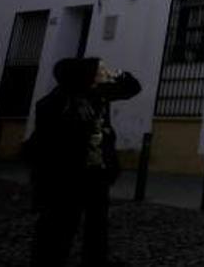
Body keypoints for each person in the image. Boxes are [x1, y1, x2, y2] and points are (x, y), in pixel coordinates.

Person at [27, 57, 141, 266]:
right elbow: (44, 147)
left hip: (97, 174)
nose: (103, 73)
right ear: (83, 77)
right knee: (60, 226)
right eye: (99, 71)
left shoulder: (98, 95)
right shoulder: (53, 104)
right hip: (66, 176)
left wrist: (115, 72)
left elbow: (133, 87)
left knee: (96, 226)